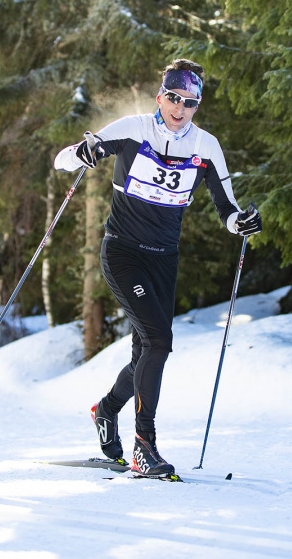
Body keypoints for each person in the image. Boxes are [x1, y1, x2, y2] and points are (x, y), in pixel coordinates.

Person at [53, 59, 262, 477]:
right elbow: (62, 161)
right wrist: (82, 152)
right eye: (173, 98)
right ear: (159, 96)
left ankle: (106, 410)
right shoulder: (132, 129)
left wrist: (241, 224)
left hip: (164, 261)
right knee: (159, 342)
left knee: (148, 349)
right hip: (124, 254)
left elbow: (227, 209)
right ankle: (143, 447)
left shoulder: (206, 147)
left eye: (191, 102)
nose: (180, 108)